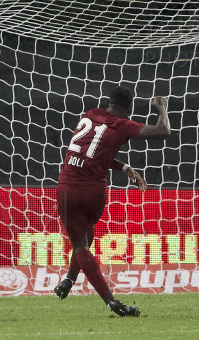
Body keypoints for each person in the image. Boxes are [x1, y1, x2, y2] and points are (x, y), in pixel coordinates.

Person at [53, 85, 171, 316]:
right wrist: (162, 108)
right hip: (95, 191)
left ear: (108, 103)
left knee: (80, 247)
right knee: (87, 239)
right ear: (129, 108)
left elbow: (89, 152)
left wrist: (123, 166)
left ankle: (110, 301)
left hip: (69, 189)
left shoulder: (89, 115)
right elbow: (163, 130)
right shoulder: (123, 125)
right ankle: (69, 280)